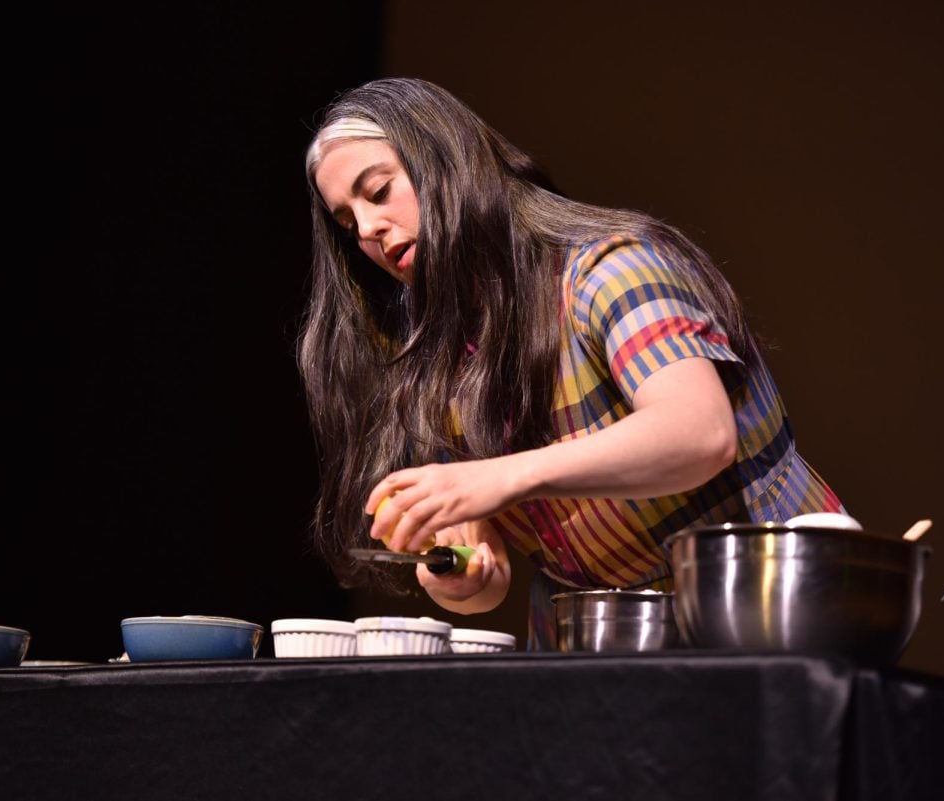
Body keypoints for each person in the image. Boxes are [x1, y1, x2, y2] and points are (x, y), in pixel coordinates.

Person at [297, 77, 845, 648]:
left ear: (446, 163)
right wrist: (461, 574)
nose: (367, 229)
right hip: (599, 641)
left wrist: (501, 476)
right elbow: (487, 575)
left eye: (379, 191)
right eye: (346, 221)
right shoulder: (438, 365)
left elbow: (699, 433)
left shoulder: (608, 268)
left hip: (764, 607)